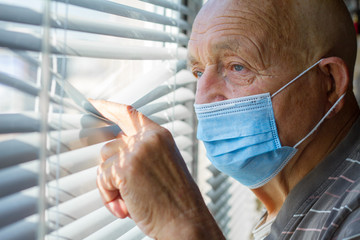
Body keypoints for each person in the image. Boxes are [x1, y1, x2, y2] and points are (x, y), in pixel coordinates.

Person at [90, 0, 360, 239]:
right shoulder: (297, 205)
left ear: (329, 82)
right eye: (198, 73)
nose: (202, 99)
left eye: (237, 66)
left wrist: (182, 224)